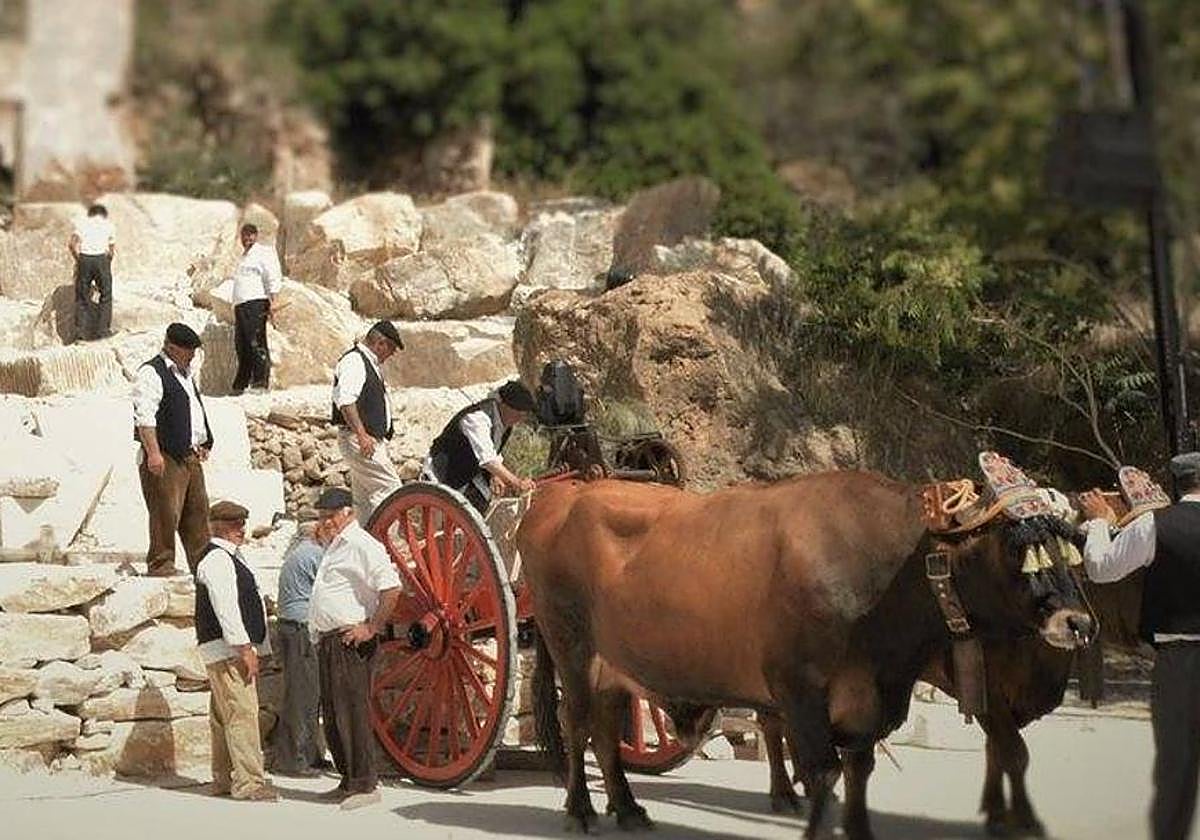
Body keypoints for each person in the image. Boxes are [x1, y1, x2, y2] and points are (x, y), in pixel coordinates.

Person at [1079, 452, 1200, 840]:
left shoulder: (1155, 525)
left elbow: (1100, 567)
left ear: (1176, 485)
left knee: (1177, 771)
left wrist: (1099, 523)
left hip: (1179, 663)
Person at [307, 487, 401, 810]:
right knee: (334, 715)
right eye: (322, 516)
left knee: (353, 712)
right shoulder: (336, 546)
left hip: (351, 639)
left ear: (348, 512)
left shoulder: (362, 544)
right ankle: (348, 779)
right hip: (330, 639)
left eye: (330, 515)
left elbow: (391, 587)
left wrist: (371, 627)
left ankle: (365, 783)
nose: (325, 521)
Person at [194, 500, 276, 801]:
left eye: (241, 524)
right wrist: (245, 649)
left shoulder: (227, 558)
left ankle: (223, 778)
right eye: (236, 526)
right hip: (228, 650)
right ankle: (249, 783)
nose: (241, 530)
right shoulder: (218, 560)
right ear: (224, 529)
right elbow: (227, 608)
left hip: (224, 649)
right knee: (242, 714)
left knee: (223, 715)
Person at [133, 322, 213, 577]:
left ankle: (203, 566)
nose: (191, 356)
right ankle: (161, 564)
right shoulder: (151, 373)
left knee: (198, 514)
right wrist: (153, 453)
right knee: (165, 512)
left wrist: (204, 441)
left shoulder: (186, 374)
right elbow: (145, 417)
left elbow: (193, 411)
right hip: (165, 454)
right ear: (171, 347)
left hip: (189, 454)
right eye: (187, 351)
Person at [424, 380, 537, 513]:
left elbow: (494, 451)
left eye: (522, 415)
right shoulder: (477, 419)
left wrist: (496, 476)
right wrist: (516, 483)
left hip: (469, 475)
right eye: (518, 414)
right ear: (505, 406)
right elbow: (487, 459)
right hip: (444, 475)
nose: (519, 419)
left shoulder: (504, 423)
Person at [330, 322, 405, 523]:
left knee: (363, 501)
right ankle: (387, 543)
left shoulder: (368, 363)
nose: (391, 355)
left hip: (365, 439)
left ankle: (366, 542)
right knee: (390, 490)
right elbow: (346, 401)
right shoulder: (355, 361)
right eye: (391, 349)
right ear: (381, 343)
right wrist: (362, 435)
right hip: (361, 440)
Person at [269, 526, 327, 777]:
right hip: (301, 629)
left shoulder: (298, 552)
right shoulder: (314, 555)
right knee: (303, 695)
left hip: (293, 627)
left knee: (307, 693)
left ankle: (310, 754)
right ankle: (293, 760)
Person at [230, 223, 283, 394]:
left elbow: (272, 275)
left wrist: (273, 300)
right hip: (241, 305)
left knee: (255, 342)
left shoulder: (262, 252)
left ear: (256, 235)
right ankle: (242, 383)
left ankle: (260, 382)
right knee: (242, 344)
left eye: (251, 235)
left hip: (256, 302)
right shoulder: (244, 257)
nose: (247, 239)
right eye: (244, 235)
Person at [68, 203, 116, 341]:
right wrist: (105, 266)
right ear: (103, 214)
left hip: (84, 257)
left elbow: (71, 244)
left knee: (82, 297)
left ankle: (80, 333)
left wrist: (78, 260)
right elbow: (111, 251)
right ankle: (103, 331)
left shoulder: (81, 223)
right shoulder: (109, 225)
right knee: (106, 295)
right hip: (101, 258)